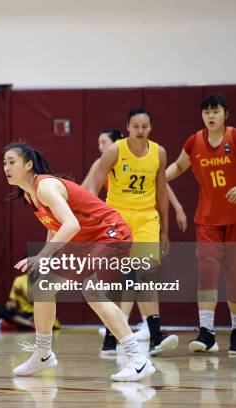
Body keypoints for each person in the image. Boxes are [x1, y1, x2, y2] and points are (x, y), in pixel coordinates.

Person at [4, 142, 154, 382]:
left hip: (110, 233)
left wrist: (43, 255)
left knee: (91, 290)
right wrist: (48, 256)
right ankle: (43, 353)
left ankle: (138, 359)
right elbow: (55, 226)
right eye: (4, 163)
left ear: (28, 165)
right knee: (43, 287)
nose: (6, 167)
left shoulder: (45, 187)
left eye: (12, 162)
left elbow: (71, 224)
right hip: (84, 241)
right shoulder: (30, 195)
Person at [166, 95, 236, 356]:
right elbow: (178, 166)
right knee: (206, 272)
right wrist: (153, 178)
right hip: (209, 219)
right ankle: (207, 333)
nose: (210, 116)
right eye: (206, 112)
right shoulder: (194, 142)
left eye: (215, 111)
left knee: (235, 276)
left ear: (226, 114)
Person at [83, 108, 179, 357]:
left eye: (145, 126)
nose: (140, 130)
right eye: (136, 126)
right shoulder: (115, 150)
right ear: (127, 126)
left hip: (147, 217)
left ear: (151, 127)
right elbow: (93, 184)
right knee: (114, 277)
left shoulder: (159, 152)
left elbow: (161, 192)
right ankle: (111, 337)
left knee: (147, 273)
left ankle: (156, 334)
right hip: (117, 217)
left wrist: (165, 231)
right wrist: (94, 218)